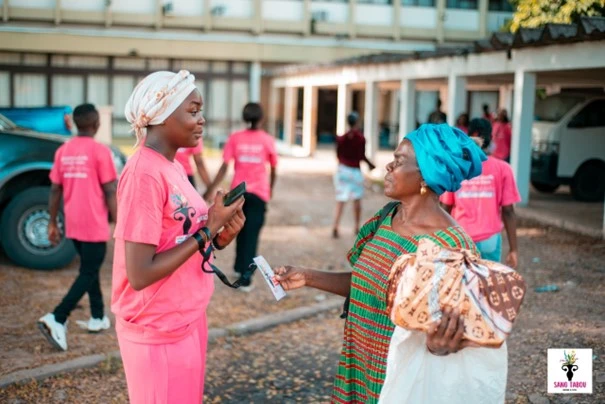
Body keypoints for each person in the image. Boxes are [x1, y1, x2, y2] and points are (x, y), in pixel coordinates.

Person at [275, 124, 503, 403]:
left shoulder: (452, 247)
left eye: (399, 161)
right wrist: (308, 277)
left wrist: (440, 346)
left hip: (399, 381)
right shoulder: (387, 219)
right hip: (358, 363)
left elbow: (459, 334)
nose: (388, 167)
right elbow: (368, 283)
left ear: (426, 175)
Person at [113, 70, 245, 403]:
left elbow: (177, 237)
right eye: (193, 110)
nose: (202, 120)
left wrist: (219, 238)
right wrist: (208, 229)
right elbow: (140, 273)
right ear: (161, 115)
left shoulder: (170, 166)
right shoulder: (143, 173)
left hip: (185, 318)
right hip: (155, 329)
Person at [38, 103, 118, 351]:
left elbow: (54, 189)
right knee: (88, 272)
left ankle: (97, 317)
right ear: (97, 125)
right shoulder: (100, 151)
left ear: (73, 124)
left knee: (89, 269)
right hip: (94, 225)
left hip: (73, 223)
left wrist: (52, 222)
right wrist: (120, 222)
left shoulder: (64, 150)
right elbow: (110, 190)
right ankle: (57, 317)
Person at [207, 102, 277, 291]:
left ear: (244, 118)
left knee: (236, 229)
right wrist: (270, 189)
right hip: (259, 194)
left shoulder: (235, 138)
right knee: (251, 235)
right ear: (262, 118)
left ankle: (239, 268)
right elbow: (273, 168)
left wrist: (210, 189)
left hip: (238, 194)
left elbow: (224, 166)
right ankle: (246, 278)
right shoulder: (267, 139)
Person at [441, 117, 520, 268]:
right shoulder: (503, 168)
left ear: (468, 137)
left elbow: (445, 208)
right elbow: (508, 211)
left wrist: (440, 242)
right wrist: (513, 250)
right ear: (491, 138)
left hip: (460, 239)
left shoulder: (457, 167)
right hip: (490, 240)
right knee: (487, 284)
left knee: (462, 285)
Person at [332, 111, 376, 239]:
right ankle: (356, 226)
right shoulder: (361, 139)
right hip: (355, 171)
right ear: (357, 122)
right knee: (357, 200)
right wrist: (371, 165)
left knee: (340, 200)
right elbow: (362, 156)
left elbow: (338, 155)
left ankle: (335, 226)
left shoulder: (341, 138)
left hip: (342, 170)